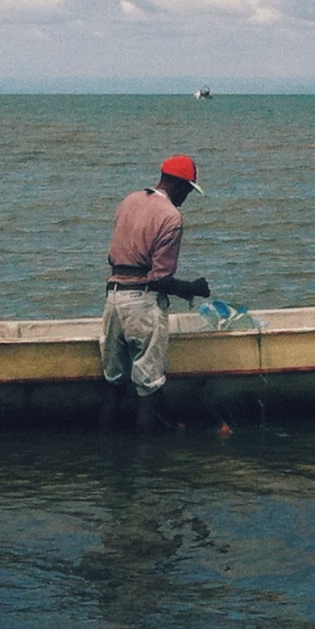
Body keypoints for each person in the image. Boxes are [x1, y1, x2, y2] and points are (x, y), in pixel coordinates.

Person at [99, 155, 210, 434]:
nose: (187, 196)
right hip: (142, 305)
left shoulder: (129, 201)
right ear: (177, 183)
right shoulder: (171, 216)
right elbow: (160, 279)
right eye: (187, 189)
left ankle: (105, 449)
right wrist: (192, 289)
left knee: (114, 384)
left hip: (113, 299)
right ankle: (146, 466)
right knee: (148, 389)